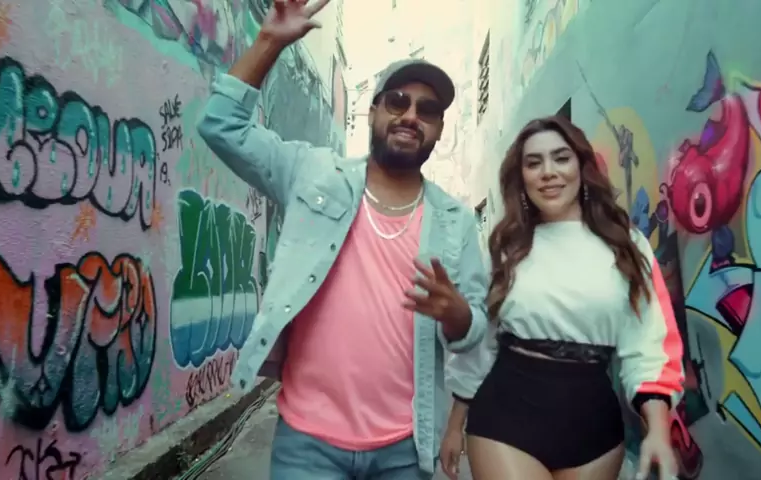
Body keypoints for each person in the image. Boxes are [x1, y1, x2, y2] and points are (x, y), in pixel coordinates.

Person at [196, 0, 488, 478]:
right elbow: (221, 126)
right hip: (307, 445)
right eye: (397, 101)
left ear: (438, 129)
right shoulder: (313, 172)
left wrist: (459, 316)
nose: (410, 115)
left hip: (405, 450)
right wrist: (269, 42)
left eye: (428, 110)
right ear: (372, 111)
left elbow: (476, 331)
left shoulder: (455, 221)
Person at [440, 115, 685, 480]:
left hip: (594, 430)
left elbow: (649, 343)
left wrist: (659, 431)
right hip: (506, 418)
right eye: (533, 163)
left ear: (581, 167)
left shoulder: (627, 245)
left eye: (561, 158)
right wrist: (455, 423)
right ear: (522, 177)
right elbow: (484, 343)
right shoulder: (508, 247)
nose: (548, 172)